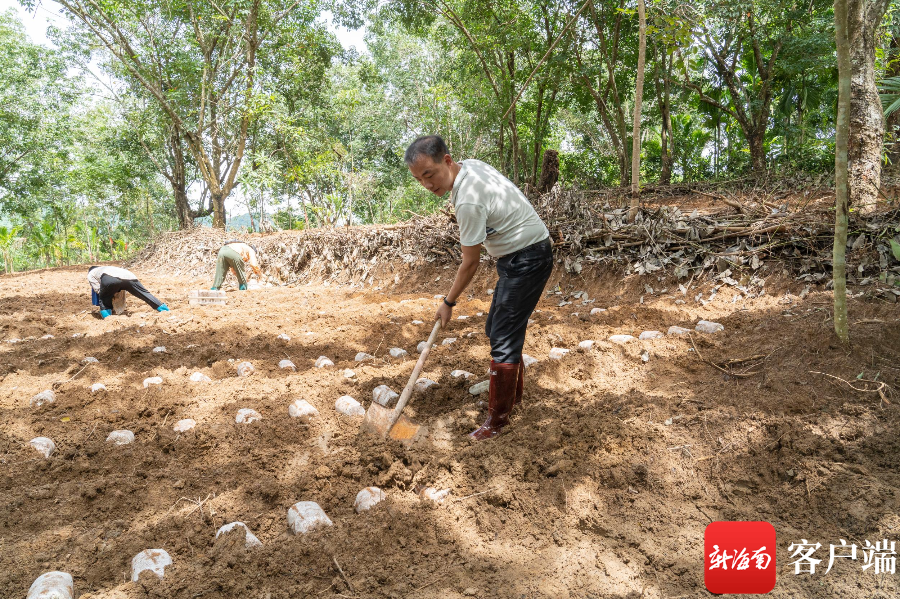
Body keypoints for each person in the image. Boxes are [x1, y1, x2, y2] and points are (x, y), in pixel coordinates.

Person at [405, 135, 553, 440]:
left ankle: (497, 422)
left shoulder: (468, 200)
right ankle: (514, 399)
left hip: (526, 258)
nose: (426, 184)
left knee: (502, 337)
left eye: (429, 174)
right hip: (522, 255)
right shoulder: (470, 167)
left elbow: (470, 263)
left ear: (447, 160)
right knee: (499, 329)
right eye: (419, 179)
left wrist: (448, 302)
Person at [88, 266, 169, 318]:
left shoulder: (91, 273)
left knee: (104, 299)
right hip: (130, 276)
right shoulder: (107, 268)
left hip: (109, 279)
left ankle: (108, 318)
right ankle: (164, 309)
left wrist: (106, 296)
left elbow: (97, 289)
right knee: (144, 294)